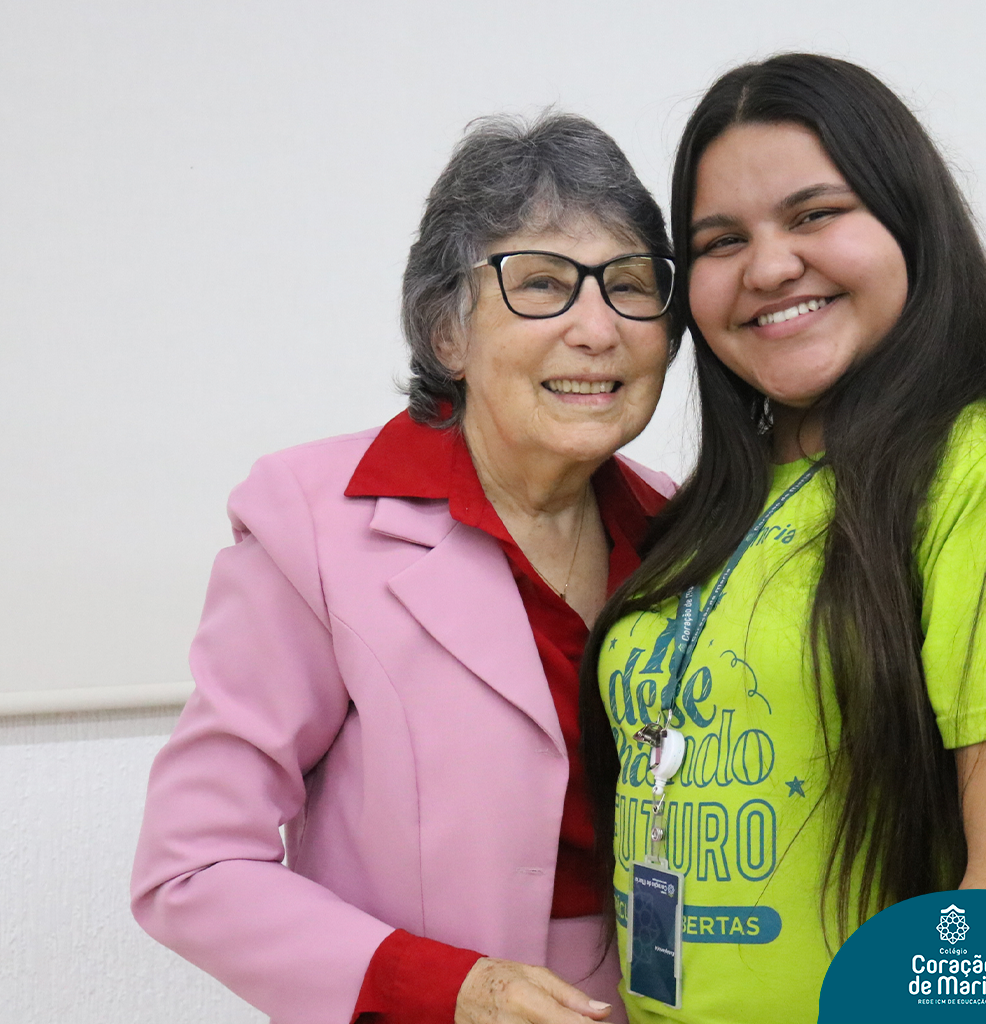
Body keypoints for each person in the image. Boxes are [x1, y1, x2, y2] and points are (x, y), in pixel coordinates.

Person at [581, 54, 986, 1024]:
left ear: (908, 221)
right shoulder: (717, 505)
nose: (767, 267)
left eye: (814, 214)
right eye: (720, 240)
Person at [132, 112, 681, 1024]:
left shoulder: (685, 529)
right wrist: (447, 989)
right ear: (446, 333)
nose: (597, 328)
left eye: (629, 286)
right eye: (543, 284)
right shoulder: (311, 523)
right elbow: (193, 865)